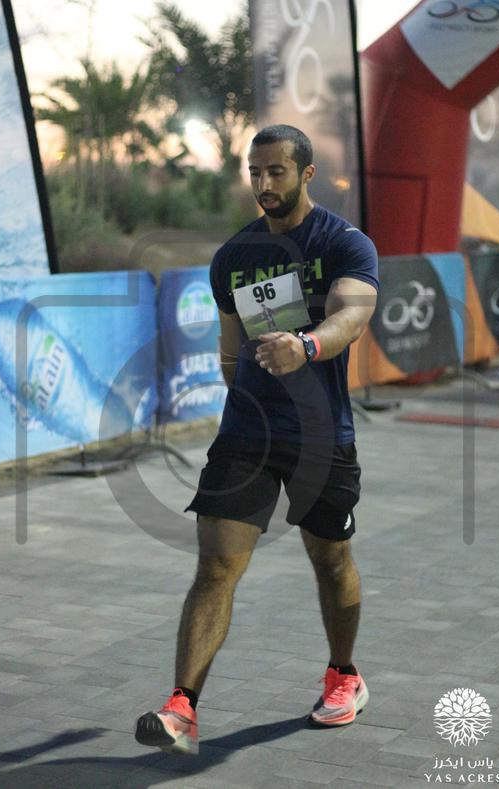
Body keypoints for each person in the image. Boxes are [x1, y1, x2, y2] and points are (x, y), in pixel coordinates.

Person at [135, 124, 379, 755]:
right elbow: (229, 349)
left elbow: (353, 314)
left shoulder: (343, 243)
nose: (263, 183)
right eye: (255, 172)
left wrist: (307, 346)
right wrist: (248, 394)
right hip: (247, 433)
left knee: (331, 561)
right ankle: (181, 708)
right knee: (216, 567)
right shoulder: (234, 256)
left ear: (306, 174)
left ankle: (344, 675)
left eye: (276, 171)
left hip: (321, 436)